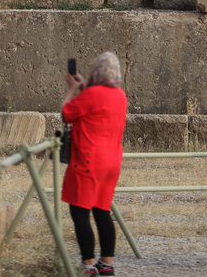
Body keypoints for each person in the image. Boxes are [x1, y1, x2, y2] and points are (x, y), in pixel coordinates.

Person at [62, 51, 128, 276]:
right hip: (112, 161)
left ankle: (88, 265)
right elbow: (97, 108)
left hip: (89, 160)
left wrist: (72, 89)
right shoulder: (120, 95)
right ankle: (106, 263)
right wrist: (83, 90)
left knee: (80, 213)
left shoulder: (91, 95)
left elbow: (67, 113)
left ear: (96, 72)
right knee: (102, 211)